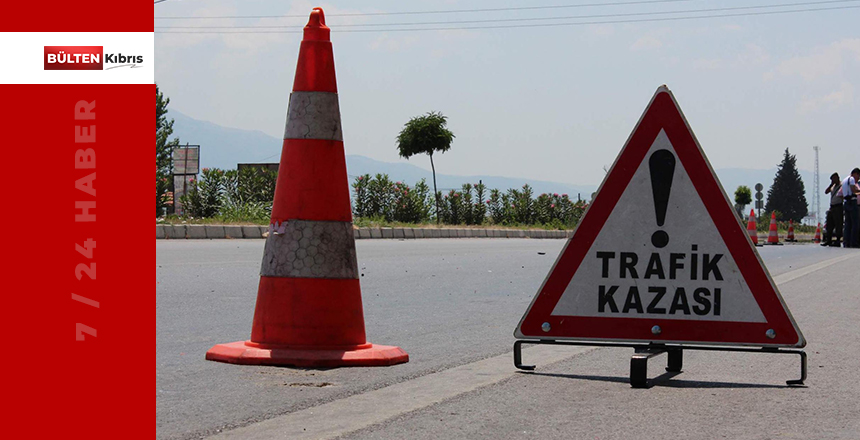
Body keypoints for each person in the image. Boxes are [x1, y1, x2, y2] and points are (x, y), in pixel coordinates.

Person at [822, 173, 843, 247]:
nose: (833, 180)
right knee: (829, 224)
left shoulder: (841, 186)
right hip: (832, 207)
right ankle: (828, 240)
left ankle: (838, 240)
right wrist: (831, 185)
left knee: (838, 224)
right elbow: (826, 192)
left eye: (834, 179)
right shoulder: (833, 186)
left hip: (838, 206)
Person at [843, 168, 860, 248]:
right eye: (858, 176)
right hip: (852, 202)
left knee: (848, 224)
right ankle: (854, 242)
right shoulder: (852, 179)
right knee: (855, 224)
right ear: (855, 174)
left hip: (846, 202)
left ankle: (847, 242)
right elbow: (853, 190)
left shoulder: (845, 180)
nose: (858, 178)